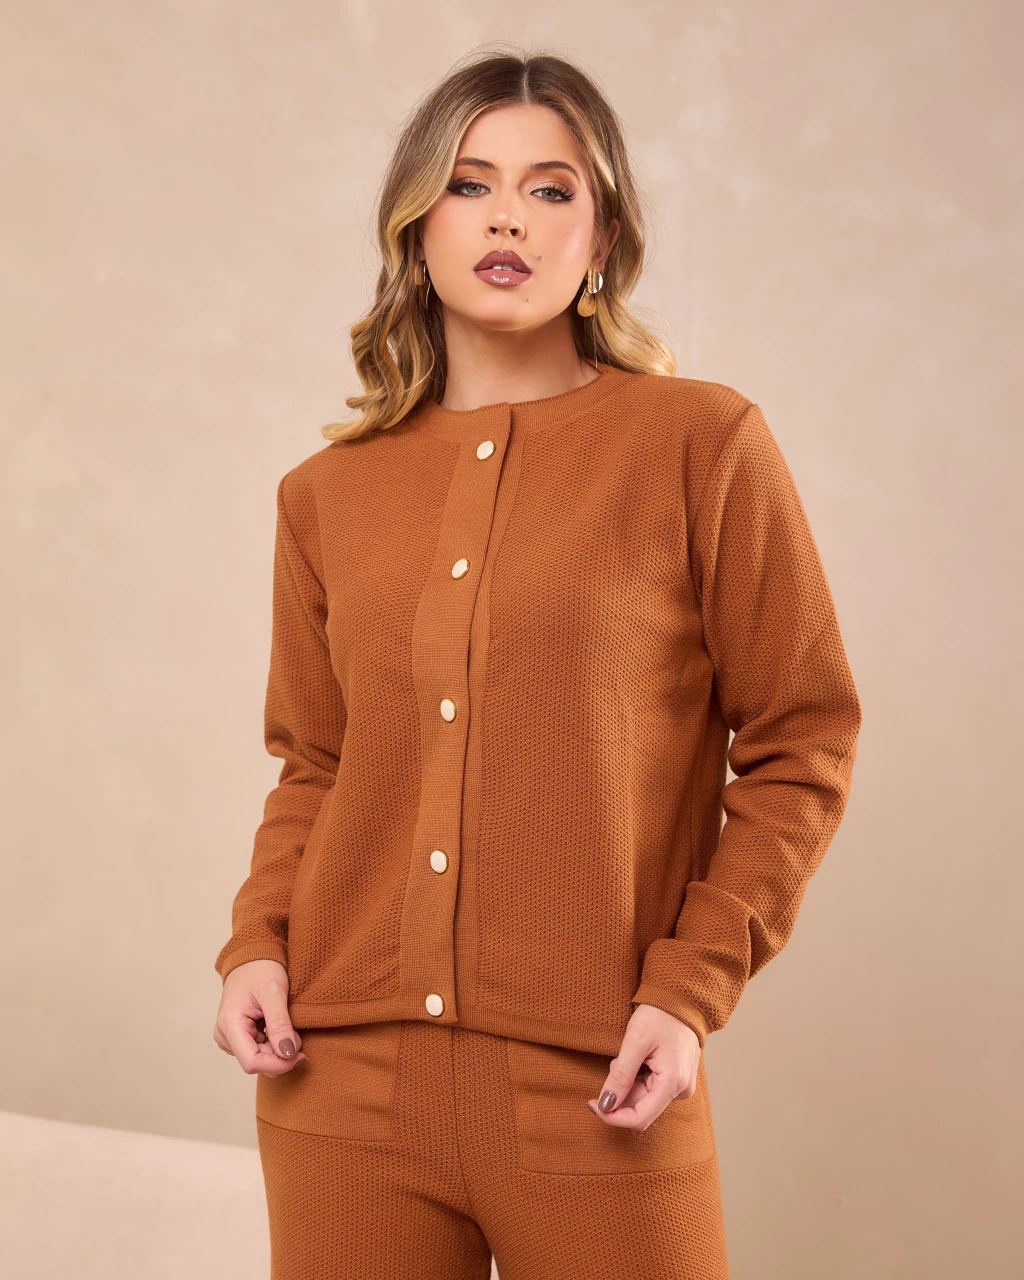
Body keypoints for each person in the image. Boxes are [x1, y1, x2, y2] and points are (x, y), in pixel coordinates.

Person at [212, 43, 862, 1280]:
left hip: (604, 1074)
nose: (506, 215)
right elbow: (317, 763)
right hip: (338, 1079)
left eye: (551, 188)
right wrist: (255, 942)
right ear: (416, 230)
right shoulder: (324, 495)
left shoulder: (701, 444)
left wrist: (689, 985)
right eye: (469, 183)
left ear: (602, 237)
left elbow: (803, 740)